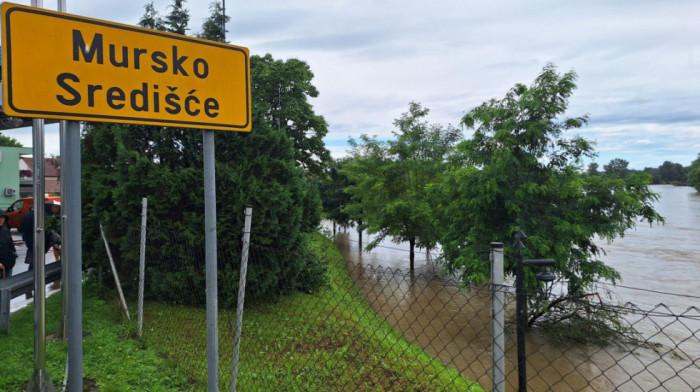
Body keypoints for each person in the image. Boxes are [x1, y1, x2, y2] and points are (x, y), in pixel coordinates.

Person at [0, 211, 18, 279]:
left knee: (8, 286)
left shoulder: (5, 230)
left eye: (2, 218)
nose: (1, 220)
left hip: (8, 264)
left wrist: (13, 255)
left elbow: (10, 244)